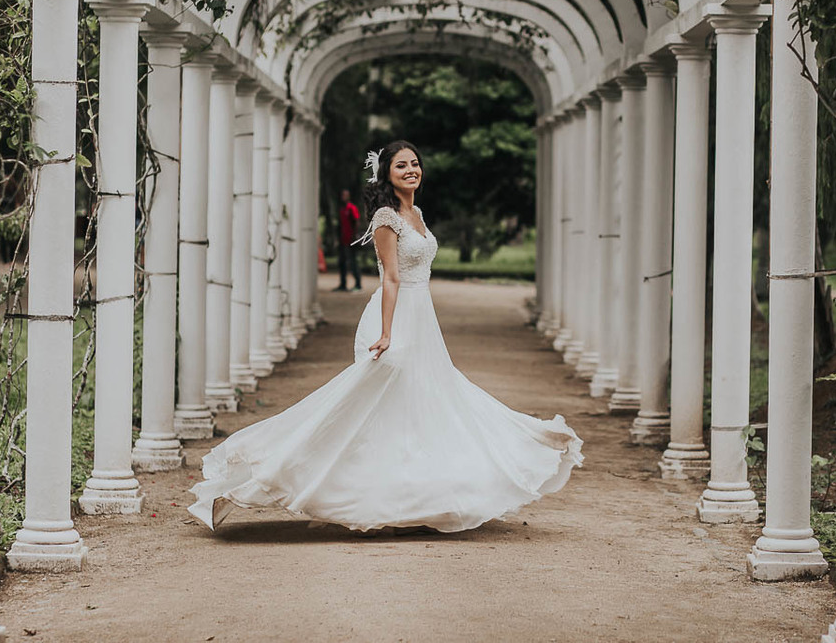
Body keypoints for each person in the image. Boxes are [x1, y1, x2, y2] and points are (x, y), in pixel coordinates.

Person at [188, 140, 583, 534]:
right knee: (366, 402)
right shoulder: (385, 218)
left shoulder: (417, 213)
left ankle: (414, 495)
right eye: (401, 166)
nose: (411, 170)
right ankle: (265, 474)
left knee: (427, 404)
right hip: (393, 317)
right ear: (387, 175)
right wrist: (387, 333)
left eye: (415, 163)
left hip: (422, 317)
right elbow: (391, 278)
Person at [334, 188, 362, 292]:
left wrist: (354, 237)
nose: (344, 197)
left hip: (351, 240)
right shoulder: (342, 209)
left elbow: (356, 222)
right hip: (343, 240)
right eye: (343, 195)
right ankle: (343, 284)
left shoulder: (352, 208)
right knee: (342, 262)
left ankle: (358, 284)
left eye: (346, 195)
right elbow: (340, 225)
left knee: (353, 262)